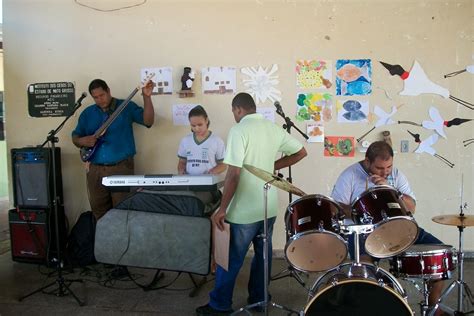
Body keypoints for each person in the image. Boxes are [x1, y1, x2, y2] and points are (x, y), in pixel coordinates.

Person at [196, 92, 307, 315]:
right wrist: (272, 166)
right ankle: (260, 298)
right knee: (263, 257)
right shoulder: (272, 128)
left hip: (243, 211)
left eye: (233, 112)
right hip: (268, 207)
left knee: (231, 259)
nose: (234, 116)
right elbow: (301, 152)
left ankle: (219, 306)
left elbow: (233, 174)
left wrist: (222, 208)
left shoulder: (239, 130)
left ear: (238, 109)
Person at [331, 141, 445, 314]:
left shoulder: (397, 175)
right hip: (364, 231)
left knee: (438, 258)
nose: (385, 172)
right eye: (379, 168)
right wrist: (361, 211)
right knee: (364, 272)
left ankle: (433, 309)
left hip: (400, 228)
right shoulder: (350, 175)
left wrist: (390, 188)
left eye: (389, 167)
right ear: (367, 161)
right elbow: (335, 208)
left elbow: (412, 207)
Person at [72, 78, 155, 220]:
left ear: (108, 91)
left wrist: (147, 97)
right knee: (99, 212)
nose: (100, 100)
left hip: (121, 167)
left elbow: (148, 121)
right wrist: (83, 140)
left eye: (102, 95)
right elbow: (75, 137)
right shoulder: (87, 113)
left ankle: (121, 242)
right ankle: (102, 241)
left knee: (123, 211)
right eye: (95, 97)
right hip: (95, 170)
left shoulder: (126, 106)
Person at [177, 105, 226, 176]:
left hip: (209, 183)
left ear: (206, 120)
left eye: (200, 125)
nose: (197, 128)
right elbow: (182, 162)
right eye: (193, 125)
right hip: (189, 182)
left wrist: (212, 172)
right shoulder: (185, 141)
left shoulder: (217, 141)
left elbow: (223, 165)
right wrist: (181, 170)